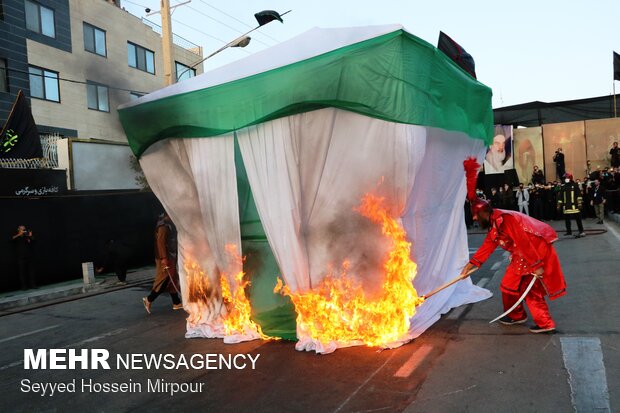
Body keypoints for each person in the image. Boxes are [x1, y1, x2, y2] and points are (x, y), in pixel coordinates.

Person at [460, 158, 566, 334]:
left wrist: (537, 266)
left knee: (529, 289)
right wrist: (470, 266)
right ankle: (517, 315)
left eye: (477, 216)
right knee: (508, 285)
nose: (475, 219)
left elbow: (524, 242)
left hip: (534, 252)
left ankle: (545, 323)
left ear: (485, 212)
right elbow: (486, 248)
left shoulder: (507, 220)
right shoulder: (494, 224)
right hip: (522, 254)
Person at [142, 213, 182, 313]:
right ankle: (149, 299)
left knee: (173, 278)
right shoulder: (163, 226)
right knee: (164, 279)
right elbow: (160, 242)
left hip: (170, 256)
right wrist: (164, 258)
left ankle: (176, 302)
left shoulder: (168, 224)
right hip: (165, 258)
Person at [557, 173, 585, 238]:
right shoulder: (563, 186)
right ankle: (569, 231)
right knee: (567, 220)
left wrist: (580, 204)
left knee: (578, 219)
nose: (565, 179)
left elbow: (579, 195)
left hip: (574, 206)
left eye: (566, 178)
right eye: (565, 178)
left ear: (570, 178)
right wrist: (559, 205)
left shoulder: (575, 185)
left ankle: (581, 231)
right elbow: (560, 197)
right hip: (566, 206)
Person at [11, 225, 37, 289]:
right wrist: (19, 234)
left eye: (24, 229)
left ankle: (33, 285)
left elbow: (33, 240)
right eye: (22, 229)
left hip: (29, 256)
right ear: (18, 230)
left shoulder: (26, 236)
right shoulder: (17, 236)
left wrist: (30, 236)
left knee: (31, 272)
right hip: (21, 257)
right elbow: (11, 239)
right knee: (22, 272)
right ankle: (24, 286)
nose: (23, 230)